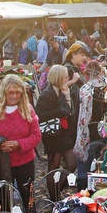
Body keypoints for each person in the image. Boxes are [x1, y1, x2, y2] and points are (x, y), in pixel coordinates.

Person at [0, 75, 41, 209]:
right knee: (4, 201)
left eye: (18, 93)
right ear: (4, 92)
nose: (14, 96)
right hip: (1, 164)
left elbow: (36, 136)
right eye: (11, 93)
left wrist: (18, 144)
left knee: (28, 199)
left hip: (25, 162)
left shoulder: (28, 109)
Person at [35, 65, 75, 198]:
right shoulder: (46, 94)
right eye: (65, 77)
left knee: (72, 163)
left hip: (63, 134)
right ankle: (54, 197)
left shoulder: (62, 91)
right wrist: (60, 112)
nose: (67, 79)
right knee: (53, 166)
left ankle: (58, 189)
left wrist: (67, 96)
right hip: (52, 135)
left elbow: (69, 112)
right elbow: (39, 115)